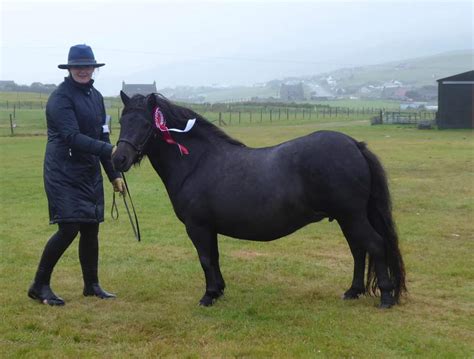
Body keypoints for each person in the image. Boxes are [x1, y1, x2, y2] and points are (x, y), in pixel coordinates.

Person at [28, 44, 125, 306]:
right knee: (69, 227)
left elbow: (103, 134)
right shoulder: (60, 99)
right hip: (63, 172)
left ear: (94, 68)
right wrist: (110, 149)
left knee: (91, 228)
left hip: (88, 171)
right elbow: (71, 137)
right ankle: (39, 285)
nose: (83, 70)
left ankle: (91, 285)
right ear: (70, 69)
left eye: (87, 66)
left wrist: (114, 174)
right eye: (77, 66)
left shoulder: (96, 97)